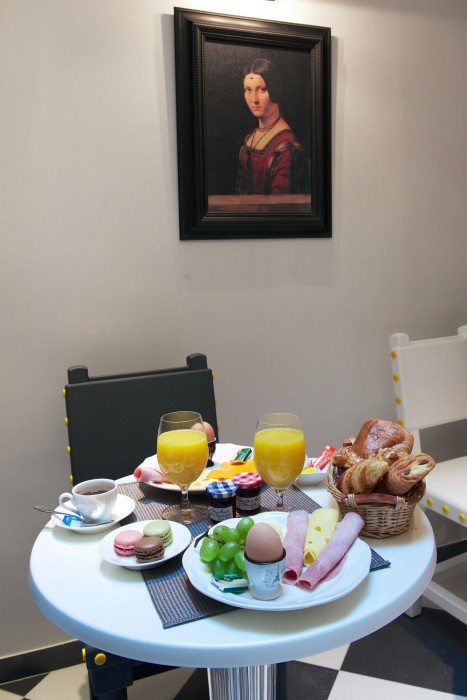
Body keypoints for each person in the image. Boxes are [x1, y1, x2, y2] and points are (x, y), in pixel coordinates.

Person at [236, 58, 305, 195]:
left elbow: (279, 202)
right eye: (248, 90)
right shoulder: (252, 137)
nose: (254, 99)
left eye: (262, 89)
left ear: (275, 89)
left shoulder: (285, 145)